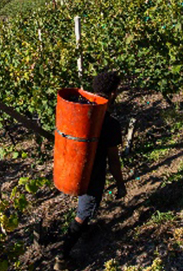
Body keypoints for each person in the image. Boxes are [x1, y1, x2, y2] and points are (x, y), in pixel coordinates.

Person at [55, 70, 126, 270]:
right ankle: (62, 257)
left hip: (71, 167)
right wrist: (120, 185)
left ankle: (84, 232)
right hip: (91, 174)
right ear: (112, 93)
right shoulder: (110, 123)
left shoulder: (83, 111)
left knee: (85, 207)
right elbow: (113, 159)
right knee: (84, 212)